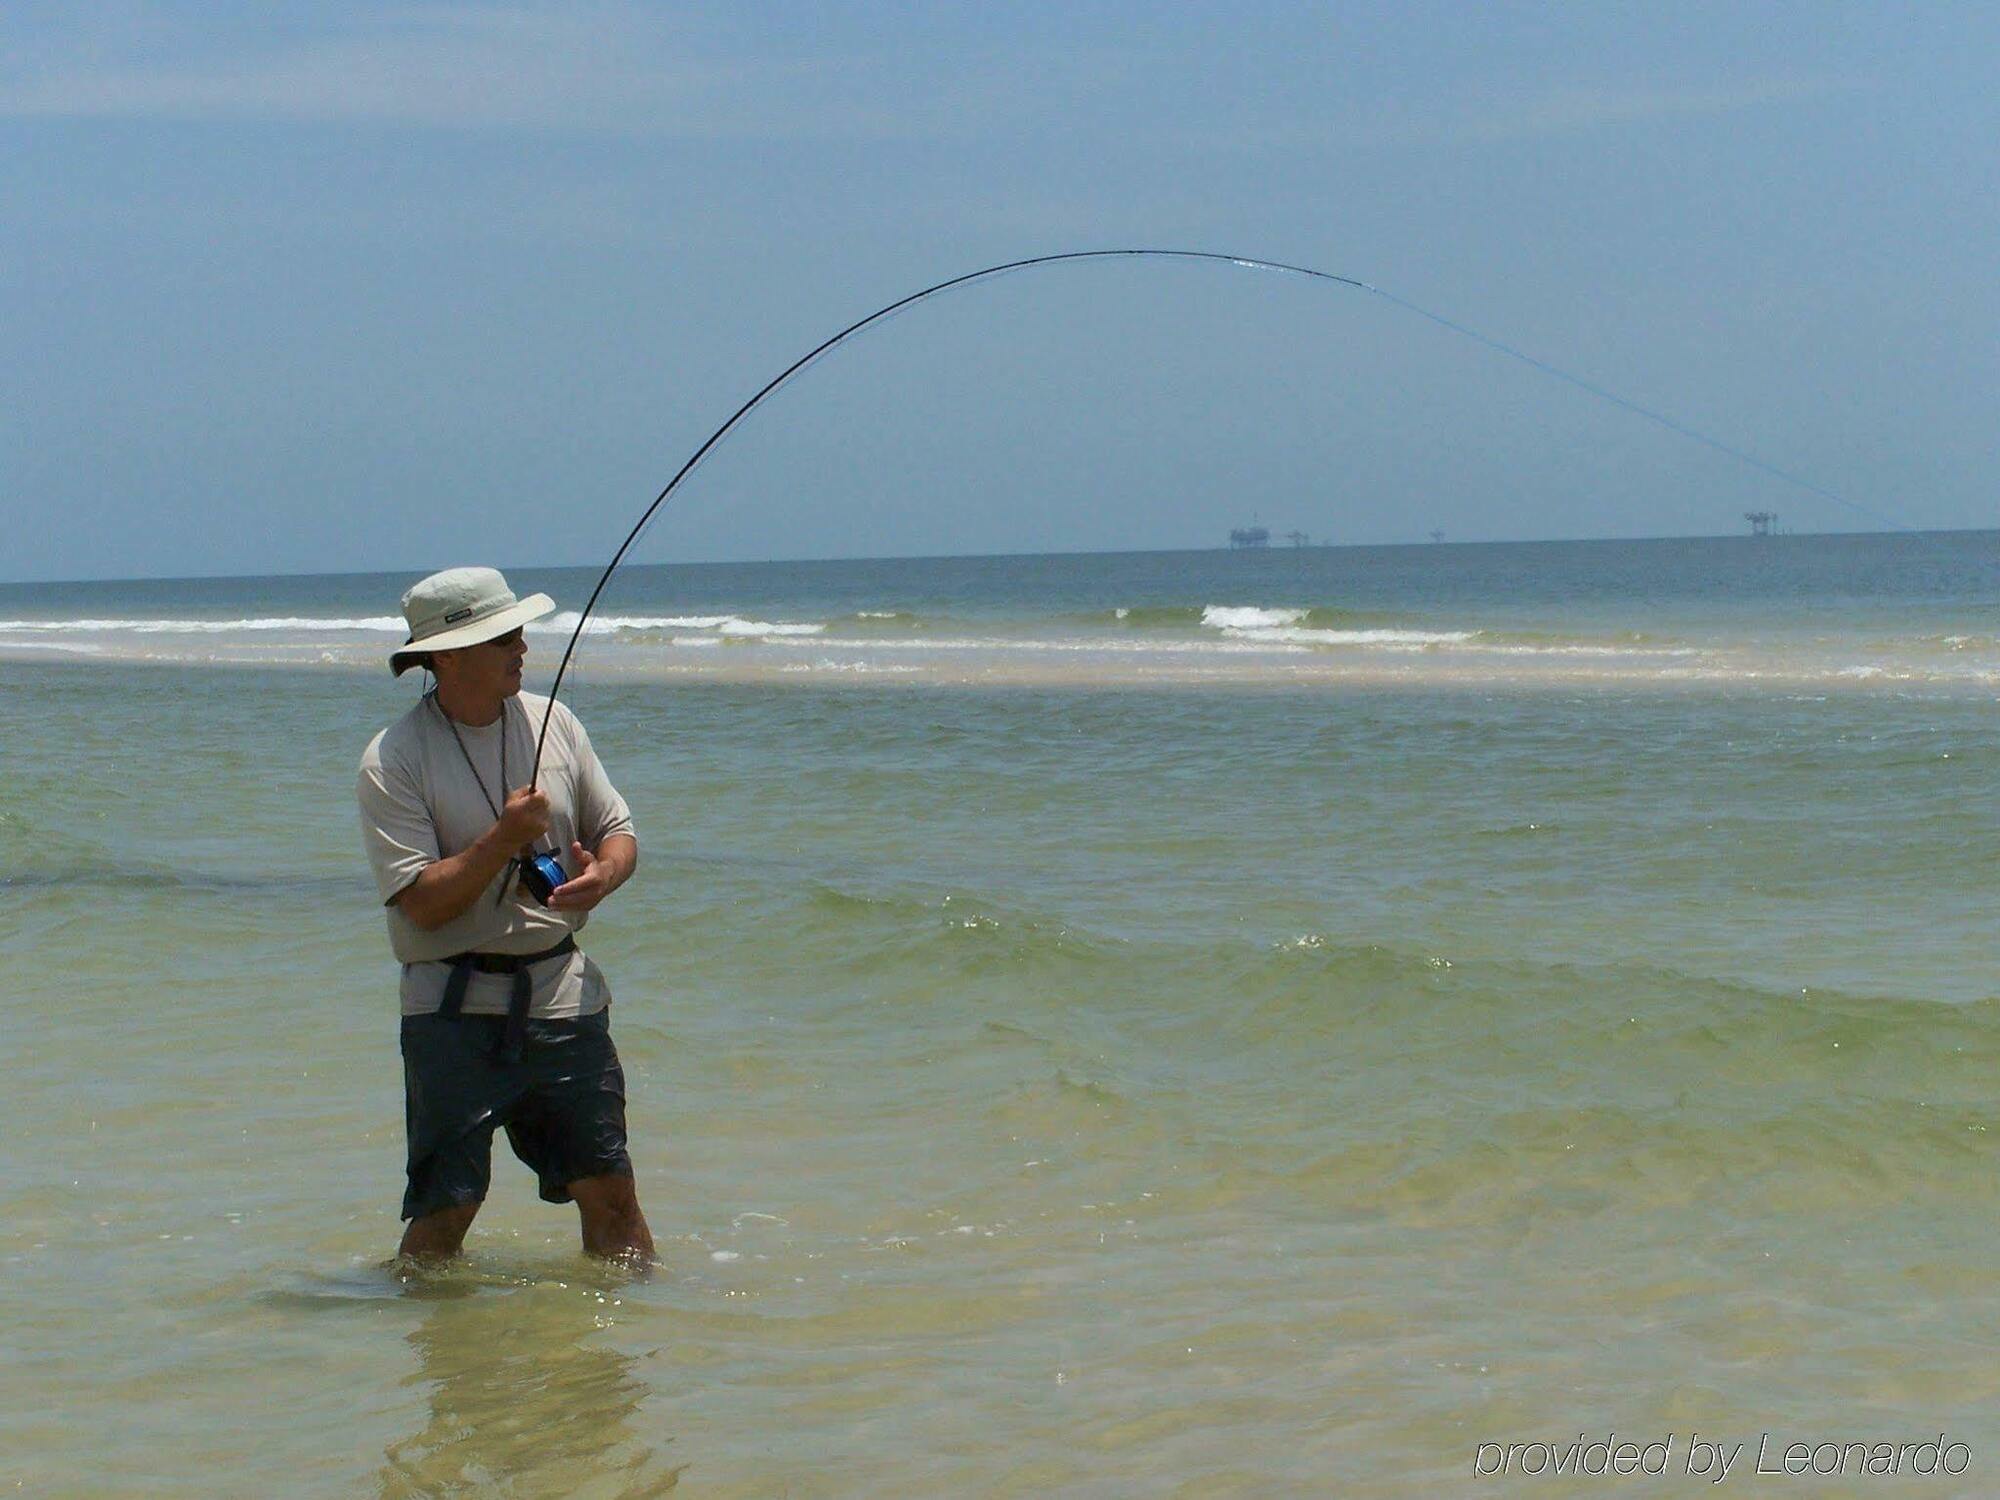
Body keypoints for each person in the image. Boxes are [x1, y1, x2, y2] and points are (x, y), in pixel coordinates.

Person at [356, 566, 653, 1264]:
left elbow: (619, 830)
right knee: (447, 1210)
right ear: (449, 657)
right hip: (450, 1009)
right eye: (505, 637)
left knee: (612, 1195)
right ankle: (443, 1361)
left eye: (520, 632)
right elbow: (423, 905)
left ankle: (633, 1352)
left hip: (562, 997)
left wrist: (602, 876)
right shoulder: (392, 760)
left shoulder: (560, 725)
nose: (523, 647)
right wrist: (502, 842)